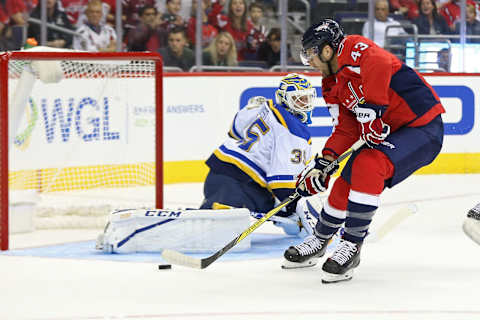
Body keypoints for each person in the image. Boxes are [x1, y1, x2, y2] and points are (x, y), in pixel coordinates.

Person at [282, 19, 445, 283]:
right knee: (346, 179)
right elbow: (346, 128)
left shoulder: (352, 46)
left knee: (368, 164)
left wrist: (372, 112)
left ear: (327, 49)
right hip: (387, 131)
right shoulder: (330, 84)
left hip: (422, 127)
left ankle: (352, 246)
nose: (308, 60)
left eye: (311, 52)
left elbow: (379, 62)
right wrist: (324, 162)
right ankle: (321, 239)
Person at [200, 73, 318, 237]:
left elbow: (234, 131)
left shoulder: (265, 106)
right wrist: (294, 210)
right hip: (242, 186)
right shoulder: (294, 131)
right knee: (213, 231)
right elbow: (281, 184)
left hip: (218, 172)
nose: (304, 104)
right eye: (298, 99)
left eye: (307, 98)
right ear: (285, 99)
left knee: (268, 204)